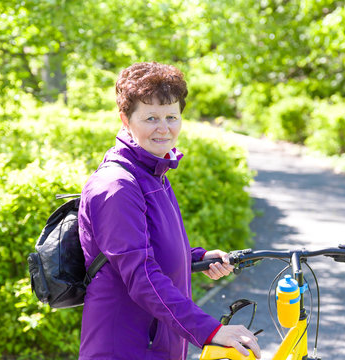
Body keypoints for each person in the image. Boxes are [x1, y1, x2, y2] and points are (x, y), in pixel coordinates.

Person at [78, 62, 261, 360]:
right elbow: (140, 274)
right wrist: (210, 330)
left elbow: (146, 249)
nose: (164, 128)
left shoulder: (152, 171)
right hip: (124, 350)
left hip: (158, 346)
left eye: (171, 117)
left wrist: (196, 257)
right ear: (125, 119)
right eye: (151, 117)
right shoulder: (117, 186)